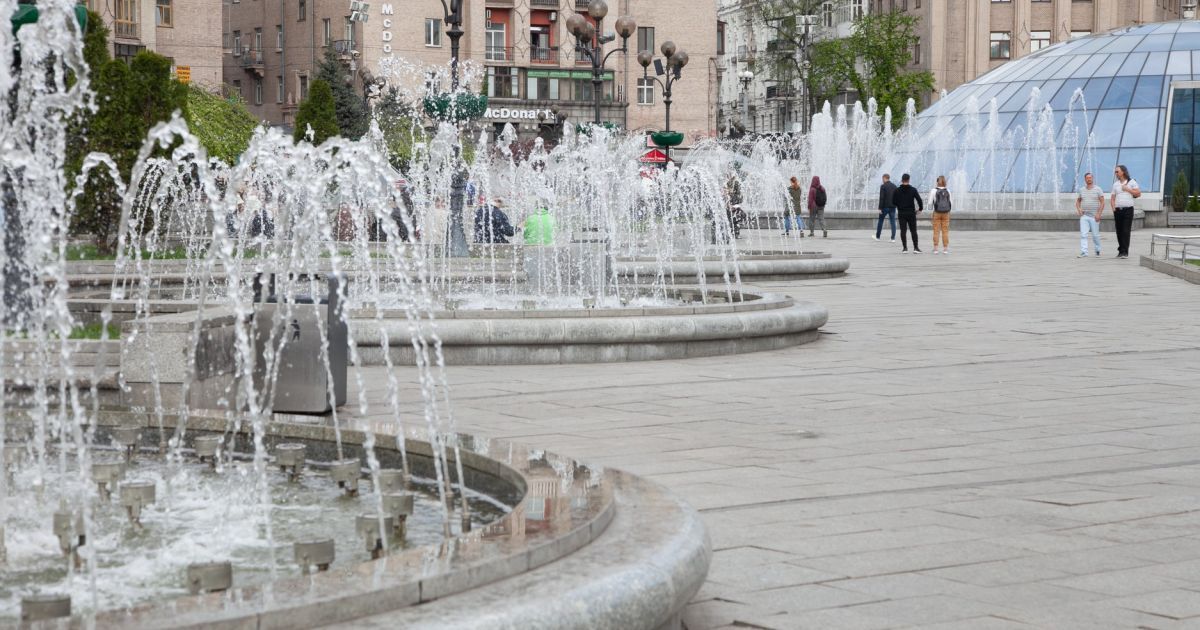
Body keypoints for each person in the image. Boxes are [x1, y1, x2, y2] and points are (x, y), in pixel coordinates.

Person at [1110, 164, 1139, 259]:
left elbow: (1138, 193)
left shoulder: (1132, 182)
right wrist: (1114, 208)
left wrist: (1128, 189)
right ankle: (1121, 250)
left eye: (1117, 171)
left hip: (1128, 210)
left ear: (1123, 172)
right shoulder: (1115, 184)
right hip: (1118, 210)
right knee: (1119, 231)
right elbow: (1113, 198)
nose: (1116, 173)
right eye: (1115, 172)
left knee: (1126, 231)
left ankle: (1125, 252)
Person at [1076, 172, 1105, 258]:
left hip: (1094, 216)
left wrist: (1099, 214)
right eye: (1087, 178)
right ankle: (1084, 252)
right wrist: (1079, 210)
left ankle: (1097, 250)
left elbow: (1102, 202)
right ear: (1085, 179)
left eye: (1090, 178)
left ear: (1092, 179)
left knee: (1095, 235)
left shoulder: (1098, 189)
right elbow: (1078, 202)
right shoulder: (1081, 190)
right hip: (1084, 216)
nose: (1089, 179)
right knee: (1083, 234)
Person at [893, 173, 923, 253]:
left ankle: (905, 248)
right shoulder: (913, 189)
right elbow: (919, 200)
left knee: (903, 230)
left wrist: (899, 206)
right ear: (909, 180)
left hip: (902, 213)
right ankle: (916, 248)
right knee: (913, 230)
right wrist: (920, 209)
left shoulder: (897, 190)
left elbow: (893, 202)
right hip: (911, 213)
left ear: (902, 180)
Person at [929, 175, 951, 255]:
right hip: (946, 213)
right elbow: (950, 202)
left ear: (937, 182)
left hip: (937, 212)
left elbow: (930, 203)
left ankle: (935, 249)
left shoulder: (933, 190)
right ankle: (945, 249)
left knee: (936, 231)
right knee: (945, 231)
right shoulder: (948, 190)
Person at [876, 173, 897, 242]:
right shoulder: (894, 186)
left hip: (885, 207)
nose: (882, 180)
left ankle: (878, 237)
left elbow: (881, 198)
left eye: (882, 179)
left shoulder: (883, 186)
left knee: (880, 221)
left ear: (885, 178)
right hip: (893, 207)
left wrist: (879, 208)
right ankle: (893, 238)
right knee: (893, 222)